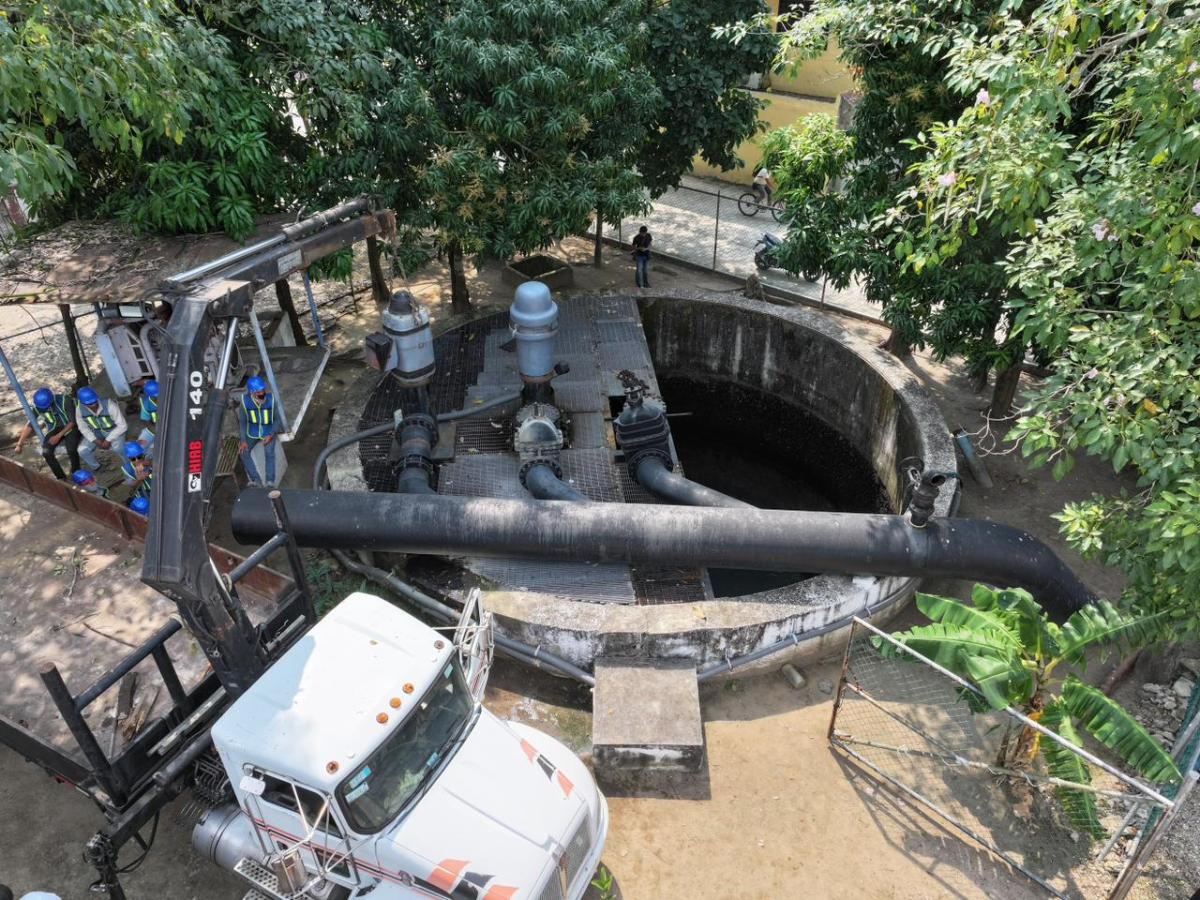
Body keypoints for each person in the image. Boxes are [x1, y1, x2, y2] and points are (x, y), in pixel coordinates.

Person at [13, 386, 82, 480]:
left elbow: (72, 422)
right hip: (55, 428)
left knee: (71, 449)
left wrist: (58, 436)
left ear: (52, 400)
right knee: (46, 452)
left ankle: (76, 471)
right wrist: (19, 444)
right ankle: (61, 477)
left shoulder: (65, 400)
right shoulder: (39, 407)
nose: (44, 409)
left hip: (71, 427)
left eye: (46, 407)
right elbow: (29, 425)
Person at [75, 385, 127, 471]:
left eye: (95, 401)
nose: (94, 405)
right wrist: (94, 440)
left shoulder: (109, 405)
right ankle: (97, 467)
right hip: (96, 433)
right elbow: (83, 427)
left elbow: (122, 426)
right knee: (82, 450)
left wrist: (108, 440)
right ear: (82, 403)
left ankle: (128, 465)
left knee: (118, 448)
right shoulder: (79, 409)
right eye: (90, 404)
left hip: (113, 431)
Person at [238, 376, 277, 486]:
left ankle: (270, 482)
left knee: (269, 452)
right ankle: (256, 480)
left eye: (262, 390)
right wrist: (243, 440)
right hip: (253, 432)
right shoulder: (245, 401)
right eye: (258, 392)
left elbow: (277, 420)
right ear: (252, 392)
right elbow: (243, 422)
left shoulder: (271, 399)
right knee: (243, 452)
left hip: (268, 430)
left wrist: (271, 434)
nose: (262, 393)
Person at [136, 379, 158, 457]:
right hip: (154, 428)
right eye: (155, 396)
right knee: (140, 446)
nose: (158, 397)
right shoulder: (146, 404)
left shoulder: (169, 397)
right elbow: (146, 421)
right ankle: (148, 459)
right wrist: (157, 432)